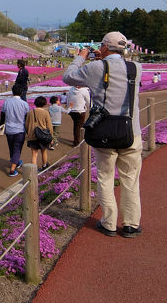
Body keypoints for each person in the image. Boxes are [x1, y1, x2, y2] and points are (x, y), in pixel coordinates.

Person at [63, 31, 143, 238]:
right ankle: (131, 225)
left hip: (104, 134)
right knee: (130, 180)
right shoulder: (137, 68)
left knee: (105, 178)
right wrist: (103, 61)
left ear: (105, 47)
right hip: (131, 133)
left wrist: (81, 56)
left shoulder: (95, 67)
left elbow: (68, 77)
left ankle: (108, 223)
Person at [0, 84, 30, 177]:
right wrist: (27, 129)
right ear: (21, 93)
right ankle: (12, 170)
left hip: (9, 129)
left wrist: (1, 125)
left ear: (12, 92)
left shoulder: (7, 102)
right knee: (17, 149)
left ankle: (16, 162)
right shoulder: (24, 104)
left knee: (11, 147)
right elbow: (26, 118)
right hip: (20, 129)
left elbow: (2, 115)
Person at [25, 96, 53, 170]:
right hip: (43, 136)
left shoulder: (30, 112)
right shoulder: (45, 113)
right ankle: (44, 166)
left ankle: (34, 170)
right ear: (44, 104)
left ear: (35, 103)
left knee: (34, 154)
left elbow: (26, 125)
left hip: (32, 136)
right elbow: (49, 126)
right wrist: (51, 137)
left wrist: (28, 133)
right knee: (44, 151)